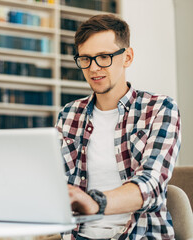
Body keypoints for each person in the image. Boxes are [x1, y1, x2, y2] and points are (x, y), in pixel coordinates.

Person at [55, 14, 181, 240]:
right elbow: (53, 181)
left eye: (104, 57)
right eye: (85, 59)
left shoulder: (160, 109)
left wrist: (95, 202)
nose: (94, 68)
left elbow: (151, 185)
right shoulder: (69, 114)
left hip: (138, 235)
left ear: (127, 57)